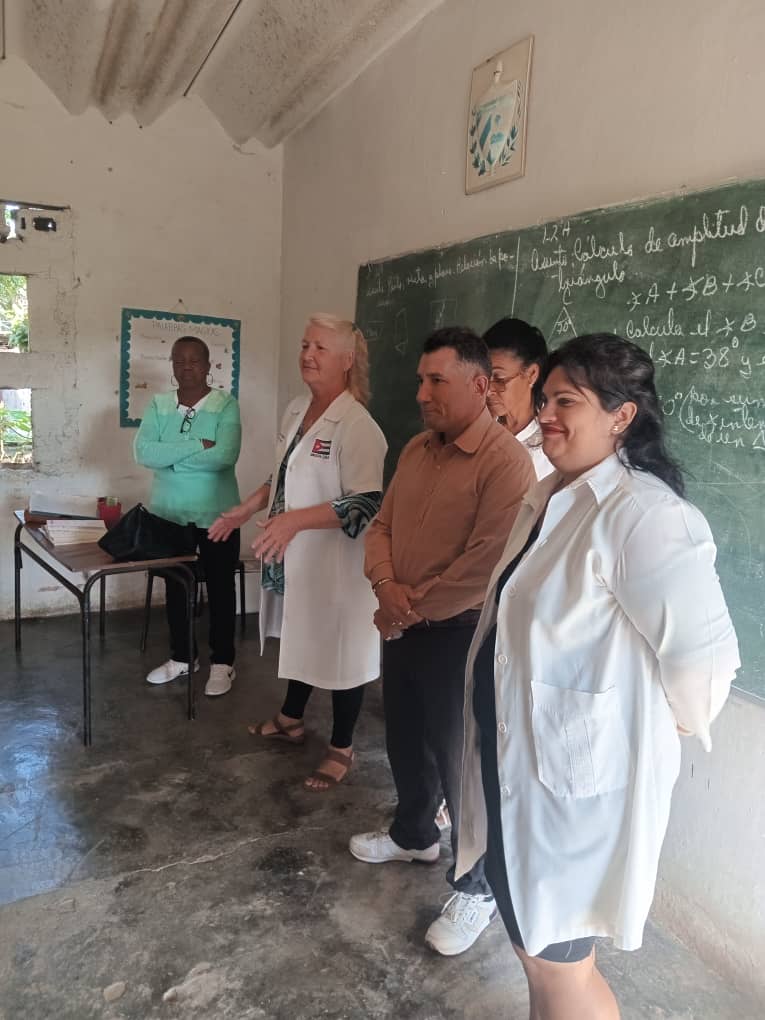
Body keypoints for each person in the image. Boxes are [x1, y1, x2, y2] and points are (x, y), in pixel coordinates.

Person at [456, 334, 739, 1020]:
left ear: (621, 416)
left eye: (566, 401)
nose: (546, 413)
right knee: (536, 951)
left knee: (561, 967)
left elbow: (703, 661)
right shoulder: (554, 493)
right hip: (517, 760)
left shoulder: (643, 514)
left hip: (573, 786)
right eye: (545, 397)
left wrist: (654, 726)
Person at [349, 326, 535, 956]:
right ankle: (413, 834)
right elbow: (382, 527)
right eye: (421, 380)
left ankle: (478, 885)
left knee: (463, 763)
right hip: (404, 622)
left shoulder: (508, 463)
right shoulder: (416, 450)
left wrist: (409, 607)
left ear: (480, 385)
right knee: (403, 737)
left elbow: (485, 566)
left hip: (460, 633)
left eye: (437, 381)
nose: (423, 393)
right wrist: (387, 587)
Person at [209, 314, 386, 790]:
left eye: (320, 348)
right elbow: (280, 476)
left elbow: (367, 502)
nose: (308, 354)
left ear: (347, 360)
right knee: (301, 633)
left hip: (340, 565)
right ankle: (291, 719)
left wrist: (294, 521)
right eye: (305, 344)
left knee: (343, 649)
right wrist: (244, 509)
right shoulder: (296, 410)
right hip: (296, 557)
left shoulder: (358, 426)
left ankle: (342, 747)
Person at [135, 335, 242, 697]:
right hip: (170, 515)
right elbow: (144, 452)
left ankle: (223, 663)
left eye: (194, 361)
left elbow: (225, 456)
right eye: (179, 361)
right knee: (176, 587)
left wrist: (171, 460)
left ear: (208, 365)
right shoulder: (160, 404)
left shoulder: (227, 406)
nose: (186, 367)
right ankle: (182, 658)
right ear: (172, 365)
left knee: (221, 589)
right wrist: (197, 445)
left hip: (218, 515)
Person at [483, 316, 553, 479]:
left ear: (531, 374)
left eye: (499, 379)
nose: (487, 391)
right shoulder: (477, 427)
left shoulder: (550, 446)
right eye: (483, 379)